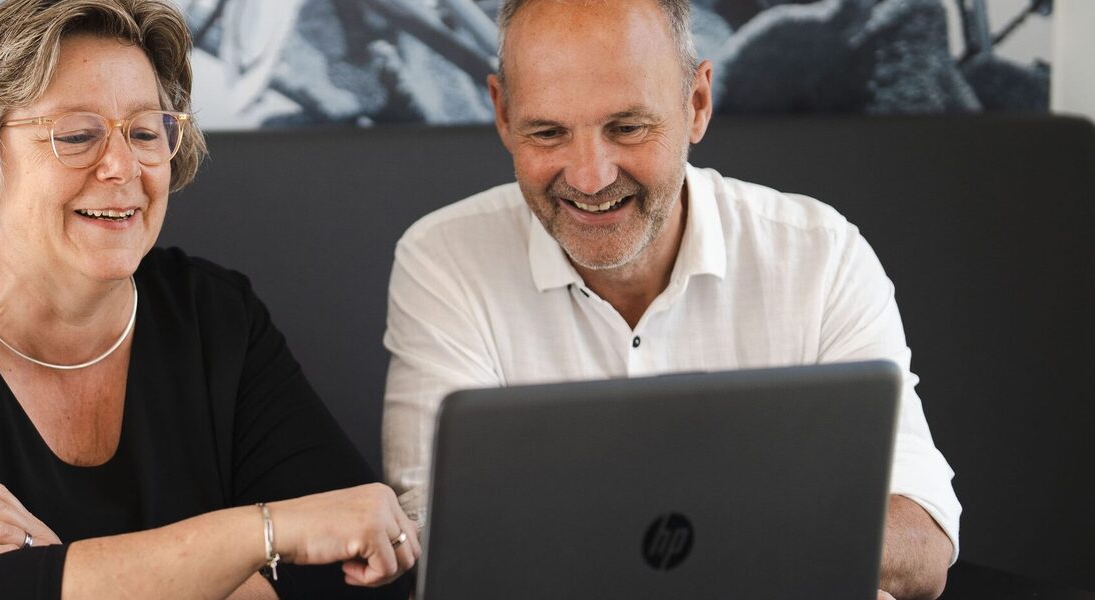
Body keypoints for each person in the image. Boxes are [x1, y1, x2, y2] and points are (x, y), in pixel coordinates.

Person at [0, 1, 419, 598]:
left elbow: (359, 570)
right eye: (77, 135)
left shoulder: (214, 317)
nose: (123, 166)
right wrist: (260, 537)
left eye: (145, 131)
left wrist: (53, 562)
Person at [379, 1, 958, 598]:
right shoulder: (443, 260)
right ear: (502, 113)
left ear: (696, 104)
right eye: (547, 132)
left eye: (627, 128)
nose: (589, 177)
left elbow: (923, 536)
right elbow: (441, 540)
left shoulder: (820, 255)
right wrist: (775, 542)